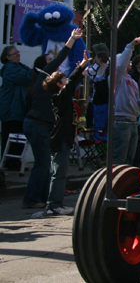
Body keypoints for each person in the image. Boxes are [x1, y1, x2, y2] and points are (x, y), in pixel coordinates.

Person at [22, 28, 81, 210]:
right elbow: (60, 58)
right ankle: (31, 199)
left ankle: (41, 197)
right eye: (48, 61)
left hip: (41, 125)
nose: (53, 64)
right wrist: (72, 40)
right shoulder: (43, 80)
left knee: (45, 163)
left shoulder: (52, 88)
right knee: (43, 163)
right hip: (37, 125)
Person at [43, 50, 91, 216]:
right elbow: (70, 85)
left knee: (59, 173)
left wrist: (80, 73)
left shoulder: (60, 98)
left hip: (63, 138)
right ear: (58, 84)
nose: (66, 79)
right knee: (59, 173)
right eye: (63, 78)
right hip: (60, 139)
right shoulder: (59, 97)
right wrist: (81, 67)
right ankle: (53, 205)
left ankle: (54, 203)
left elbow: (71, 84)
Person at [0, 45, 33, 170]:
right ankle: (10, 162)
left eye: (18, 52)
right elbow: (27, 77)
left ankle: (13, 162)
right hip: (11, 109)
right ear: (8, 57)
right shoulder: (10, 69)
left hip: (16, 108)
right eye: (14, 53)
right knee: (12, 135)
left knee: (18, 136)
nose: (18, 55)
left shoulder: (19, 67)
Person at [114, 36, 140, 166]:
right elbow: (120, 66)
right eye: (126, 60)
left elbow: (137, 101)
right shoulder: (116, 79)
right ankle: (114, 179)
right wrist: (130, 46)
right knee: (119, 159)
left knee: (129, 161)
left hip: (133, 122)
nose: (129, 62)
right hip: (121, 122)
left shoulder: (133, 82)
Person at [87, 43, 110, 132]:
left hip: (104, 102)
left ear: (100, 58)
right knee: (95, 123)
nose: (95, 58)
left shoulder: (108, 69)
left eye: (96, 57)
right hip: (96, 101)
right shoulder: (97, 68)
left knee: (103, 124)